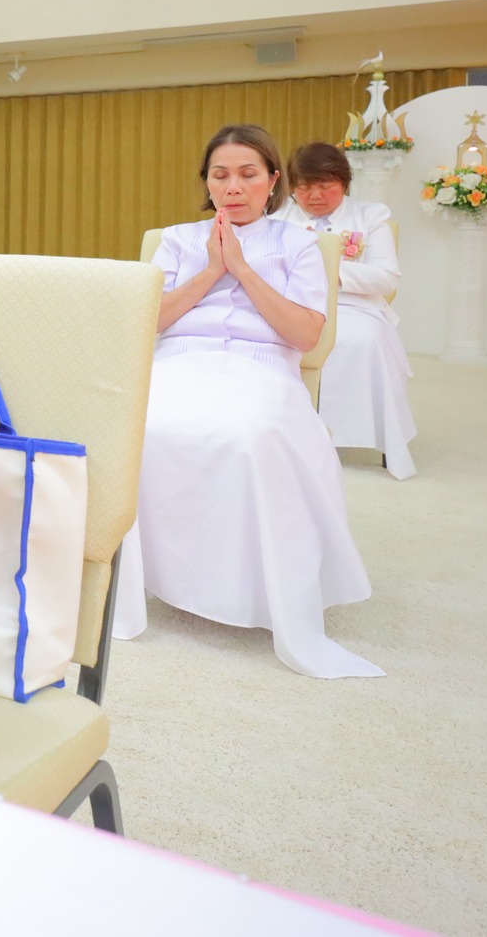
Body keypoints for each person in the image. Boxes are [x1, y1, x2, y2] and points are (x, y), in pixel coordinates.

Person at [112, 124, 381, 679]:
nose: (233, 187)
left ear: (272, 181)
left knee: (252, 436)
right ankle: (161, 579)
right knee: (143, 428)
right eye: (220, 175)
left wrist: (242, 268)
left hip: (260, 369)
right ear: (206, 182)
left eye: (247, 174)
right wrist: (212, 268)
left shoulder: (299, 244)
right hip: (180, 362)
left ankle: (251, 587)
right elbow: (148, 321)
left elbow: (306, 335)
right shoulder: (177, 239)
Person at [276, 142, 417, 479]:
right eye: (304, 187)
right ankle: (285, 433)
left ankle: (348, 433)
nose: (314, 196)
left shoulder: (371, 215)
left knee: (357, 341)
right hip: (294, 303)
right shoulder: (279, 216)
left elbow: (385, 277)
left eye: (326, 186)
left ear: (344, 182)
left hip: (354, 304)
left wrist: (329, 274)